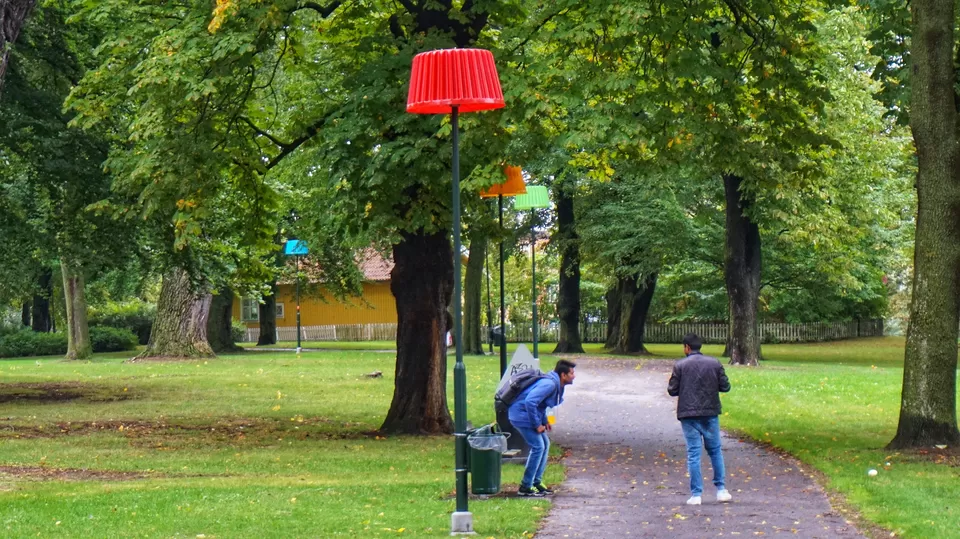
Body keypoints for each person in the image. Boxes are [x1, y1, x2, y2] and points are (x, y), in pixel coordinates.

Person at [667, 333, 732, 506]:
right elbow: (725, 386)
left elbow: (672, 390)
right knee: (715, 451)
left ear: (687, 347)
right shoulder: (714, 363)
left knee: (693, 453)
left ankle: (696, 494)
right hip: (710, 413)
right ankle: (721, 489)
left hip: (688, 415)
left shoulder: (680, 365)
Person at [508, 359, 577, 497]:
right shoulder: (550, 384)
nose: (574, 376)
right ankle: (526, 486)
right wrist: (537, 425)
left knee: (545, 444)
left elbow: (541, 404)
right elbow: (530, 402)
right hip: (520, 416)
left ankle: (536, 482)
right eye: (572, 373)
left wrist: (544, 420)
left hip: (525, 415)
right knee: (538, 446)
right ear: (563, 375)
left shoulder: (553, 383)